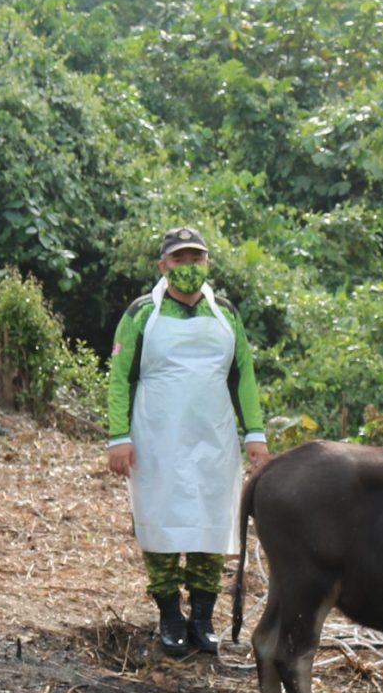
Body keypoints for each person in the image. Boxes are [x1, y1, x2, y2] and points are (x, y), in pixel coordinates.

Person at [105, 227, 269, 657]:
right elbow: (120, 375)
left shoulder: (226, 314)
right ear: (163, 266)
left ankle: (201, 616)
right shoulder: (142, 313)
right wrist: (118, 436)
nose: (188, 267)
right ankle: (168, 614)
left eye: (196, 258)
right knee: (160, 516)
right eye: (179, 259)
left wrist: (255, 433)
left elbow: (243, 374)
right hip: (156, 432)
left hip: (213, 435)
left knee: (211, 520)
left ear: (207, 264)